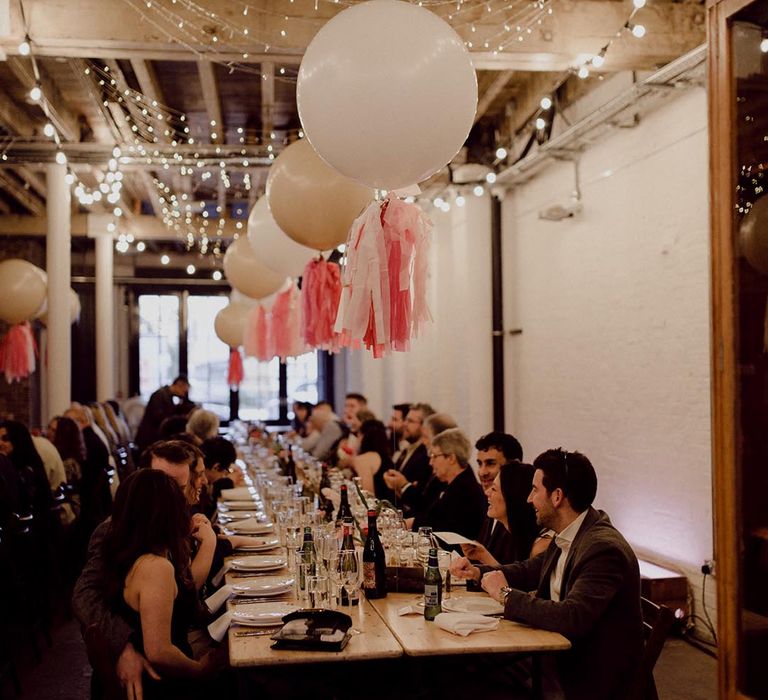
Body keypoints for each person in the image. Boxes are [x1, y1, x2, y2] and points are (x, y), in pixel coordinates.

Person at [451, 448, 643, 700]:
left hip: (587, 675)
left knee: (468, 675)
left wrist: (506, 595)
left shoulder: (602, 548)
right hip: (559, 656)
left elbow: (572, 616)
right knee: (467, 661)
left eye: (534, 490)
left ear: (557, 496)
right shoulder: (571, 533)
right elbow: (529, 570)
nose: (529, 499)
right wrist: (478, 573)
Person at [72, 440, 216, 700]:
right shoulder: (114, 531)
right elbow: (84, 596)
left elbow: (180, 592)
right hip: (152, 675)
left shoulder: (166, 529)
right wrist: (123, 647)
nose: (175, 495)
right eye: (167, 485)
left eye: (179, 487)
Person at [101, 469, 221, 698]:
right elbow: (159, 651)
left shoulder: (129, 553)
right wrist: (200, 670)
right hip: (163, 684)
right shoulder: (156, 567)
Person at [462, 462, 550, 569]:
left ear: (511, 497)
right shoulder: (513, 532)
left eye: (493, 489)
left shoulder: (541, 546)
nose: (487, 493)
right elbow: (512, 577)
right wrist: (482, 555)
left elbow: (522, 584)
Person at [410, 428, 487, 541]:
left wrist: (414, 523)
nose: (430, 463)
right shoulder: (448, 483)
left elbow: (449, 531)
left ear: (451, 458)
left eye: (434, 456)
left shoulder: (466, 491)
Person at [135, 375, 195, 451]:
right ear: (179, 385)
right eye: (184, 391)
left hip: (152, 437)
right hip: (149, 438)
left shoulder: (167, 396)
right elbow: (159, 417)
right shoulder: (159, 395)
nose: (184, 394)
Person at [349, 418, 394, 499]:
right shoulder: (386, 458)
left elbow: (368, 497)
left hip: (380, 508)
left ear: (363, 436)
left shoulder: (363, 460)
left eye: (358, 435)